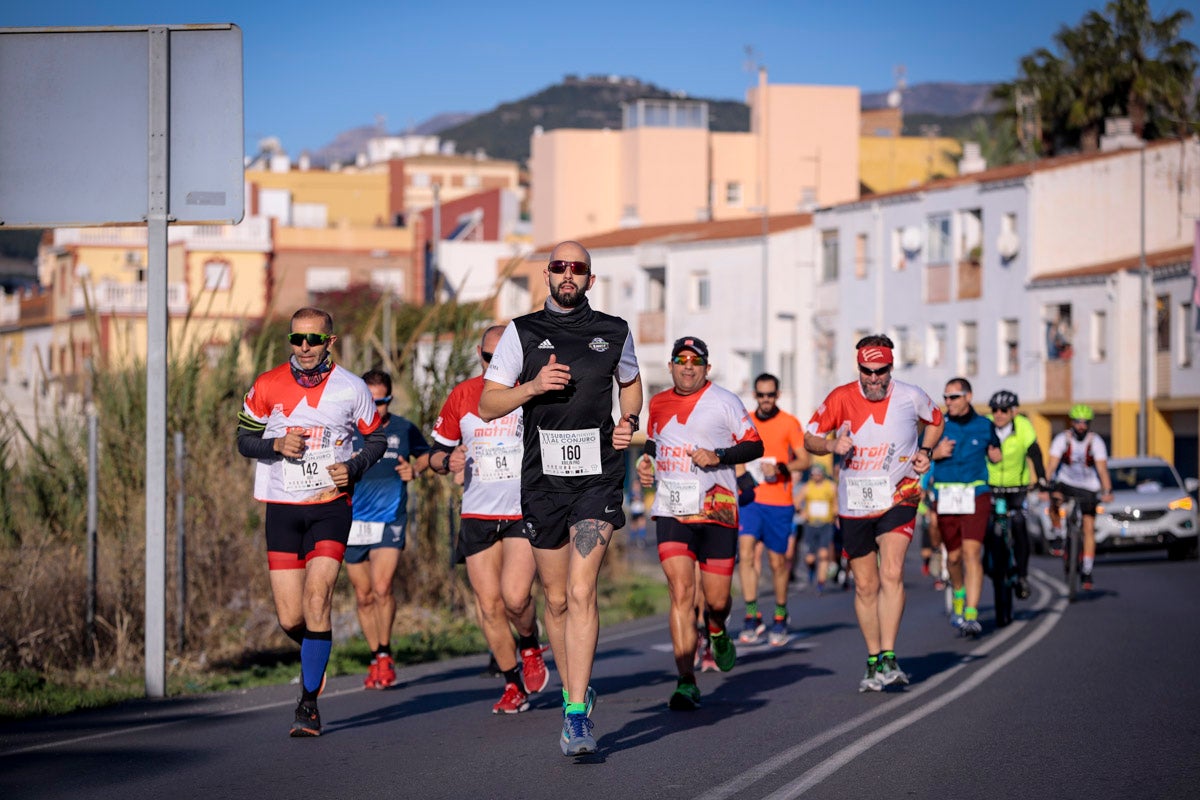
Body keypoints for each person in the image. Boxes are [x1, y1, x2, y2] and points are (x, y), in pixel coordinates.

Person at [479, 241, 641, 757]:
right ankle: (576, 688)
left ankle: (575, 715)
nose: (568, 275)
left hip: (598, 478)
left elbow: (631, 384)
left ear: (591, 279)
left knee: (581, 589)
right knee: (554, 598)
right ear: (547, 275)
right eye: (559, 267)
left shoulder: (614, 331)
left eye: (578, 268)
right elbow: (488, 404)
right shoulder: (521, 333)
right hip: (542, 482)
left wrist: (629, 420)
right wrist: (531, 387)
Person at [236, 307, 386, 737]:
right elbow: (243, 440)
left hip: (330, 506)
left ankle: (308, 705)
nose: (304, 347)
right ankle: (316, 651)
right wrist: (275, 445)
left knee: (318, 599)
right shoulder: (267, 384)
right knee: (290, 618)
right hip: (282, 507)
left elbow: (376, 439)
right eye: (296, 339)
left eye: (313, 339)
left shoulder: (352, 388)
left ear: (329, 342)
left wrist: (352, 467)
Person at [804, 334, 943, 692]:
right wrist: (831, 444)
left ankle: (890, 655)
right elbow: (809, 438)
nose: (873, 378)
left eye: (880, 371)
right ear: (859, 369)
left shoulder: (910, 396)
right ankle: (872, 658)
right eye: (867, 371)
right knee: (866, 585)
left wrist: (925, 451)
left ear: (890, 368)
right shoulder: (840, 397)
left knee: (892, 572)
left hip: (899, 495)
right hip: (855, 503)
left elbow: (936, 419)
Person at [635, 336, 763, 710]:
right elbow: (654, 443)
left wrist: (718, 455)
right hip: (673, 509)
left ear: (707, 367)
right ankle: (685, 680)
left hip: (717, 511)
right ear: (671, 366)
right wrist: (646, 462)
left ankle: (717, 628)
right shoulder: (658, 402)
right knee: (681, 593)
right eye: (681, 360)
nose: (688, 367)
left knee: (717, 601)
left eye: (695, 361)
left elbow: (755, 445)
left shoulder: (725, 401)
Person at [428, 325, 549, 714]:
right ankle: (513, 683)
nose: (496, 364)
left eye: (504, 358)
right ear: (479, 355)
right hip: (478, 512)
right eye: (488, 357)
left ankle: (529, 643)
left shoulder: (530, 391)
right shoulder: (463, 395)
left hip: (521, 510)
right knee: (489, 604)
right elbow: (435, 454)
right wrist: (448, 460)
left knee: (515, 597)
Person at [346, 369, 430, 689]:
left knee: (382, 588)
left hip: (389, 517)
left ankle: (385, 654)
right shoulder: (345, 429)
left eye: (382, 402)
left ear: (390, 399)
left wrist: (415, 470)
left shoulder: (403, 428)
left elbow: (427, 455)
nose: (376, 408)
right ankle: (374, 656)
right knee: (363, 595)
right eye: (369, 401)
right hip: (353, 521)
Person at [738, 373, 809, 647]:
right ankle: (751, 615)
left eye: (770, 395)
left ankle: (780, 614)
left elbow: (804, 460)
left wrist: (780, 467)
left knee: (777, 562)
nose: (765, 399)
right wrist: (742, 474)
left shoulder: (789, 423)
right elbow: (736, 453)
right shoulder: (745, 421)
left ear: (777, 395)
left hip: (779, 502)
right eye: (761, 395)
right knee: (746, 553)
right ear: (755, 395)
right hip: (750, 499)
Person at [929, 378, 999, 638]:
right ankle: (959, 592)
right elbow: (917, 455)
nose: (948, 402)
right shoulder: (937, 425)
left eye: (954, 397)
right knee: (954, 557)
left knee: (972, 553)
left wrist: (996, 455)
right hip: (946, 495)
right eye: (946, 397)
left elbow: (995, 451)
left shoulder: (985, 425)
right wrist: (935, 453)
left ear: (968, 397)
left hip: (976, 493)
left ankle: (971, 613)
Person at [985, 390, 1049, 602]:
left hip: (1017, 488)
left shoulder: (1023, 425)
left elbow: (1034, 453)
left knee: (1020, 524)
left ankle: (1022, 575)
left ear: (1014, 411)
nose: (998, 414)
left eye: (1004, 410)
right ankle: (988, 561)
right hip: (991, 486)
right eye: (995, 409)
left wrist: (1041, 479)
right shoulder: (986, 425)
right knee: (985, 527)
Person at [1047, 404, 1114, 590]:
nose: (1081, 426)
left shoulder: (1096, 442)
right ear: (1072, 423)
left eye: (1085, 423)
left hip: (1088, 486)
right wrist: (1045, 484)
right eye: (1078, 422)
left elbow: (1102, 469)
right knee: (1054, 498)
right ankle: (1058, 533)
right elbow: (1052, 465)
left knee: (1088, 527)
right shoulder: (1063, 439)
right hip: (1066, 482)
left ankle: (1087, 569)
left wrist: (1107, 490)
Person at [796, 464, 838, 594]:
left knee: (824, 554)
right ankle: (811, 569)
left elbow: (836, 502)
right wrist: (802, 512)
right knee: (810, 558)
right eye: (814, 474)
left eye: (818, 473)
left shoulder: (831, 486)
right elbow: (796, 502)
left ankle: (821, 582)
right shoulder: (807, 487)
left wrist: (835, 513)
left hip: (826, 524)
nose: (816, 476)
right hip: (811, 524)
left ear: (823, 474)